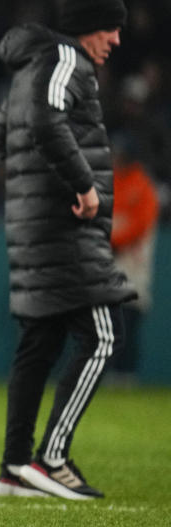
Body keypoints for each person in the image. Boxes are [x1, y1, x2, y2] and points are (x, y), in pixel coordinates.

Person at [0, 0, 136, 500]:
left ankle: (14, 468)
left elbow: (0, 137)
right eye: (111, 26)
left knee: (39, 344)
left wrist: (36, 188)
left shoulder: (30, 67)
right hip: (64, 233)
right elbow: (48, 124)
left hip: (35, 231)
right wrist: (81, 188)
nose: (116, 39)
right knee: (103, 334)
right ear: (87, 25)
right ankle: (51, 459)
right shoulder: (66, 60)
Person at [108, 147, 159, 383]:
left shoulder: (142, 186)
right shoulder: (110, 182)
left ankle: (126, 375)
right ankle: (113, 373)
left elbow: (141, 224)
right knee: (110, 320)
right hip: (110, 261)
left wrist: (115, 242)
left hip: (133, 262)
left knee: (128, 317)